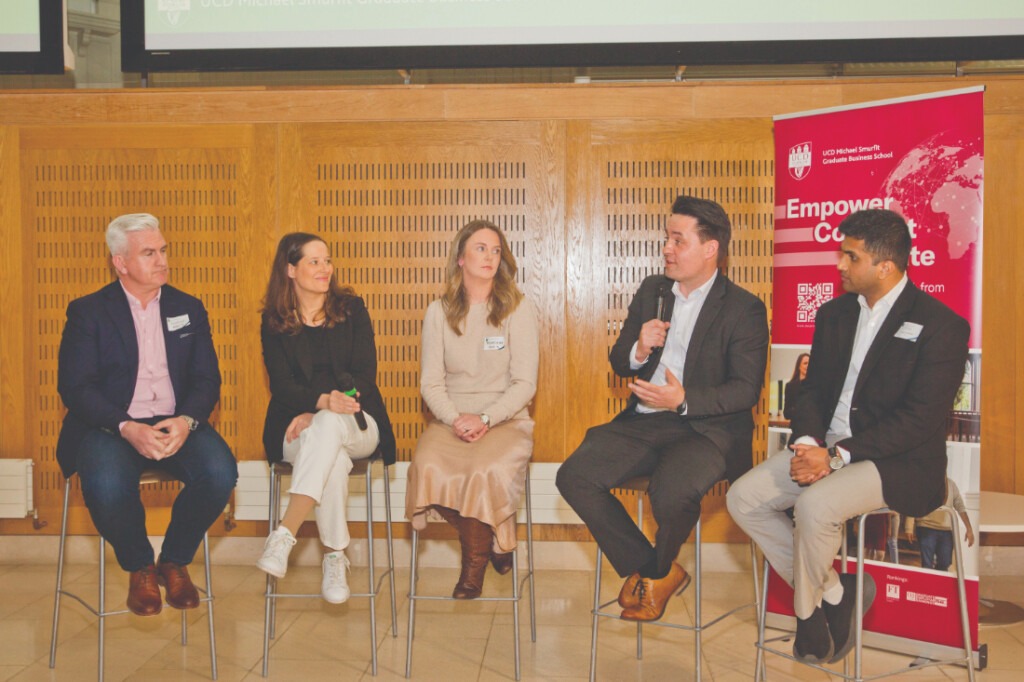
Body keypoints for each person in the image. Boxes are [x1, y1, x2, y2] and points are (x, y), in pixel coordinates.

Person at [727, 209, 970, 665]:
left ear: (886, 266)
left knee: (814, 505)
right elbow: (813, 390)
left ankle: (808, 621)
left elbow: (920, 420)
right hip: (827, 446)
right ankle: (836, 593)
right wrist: (805, 444)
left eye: (849, 255)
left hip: (899, 461)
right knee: (743, 498)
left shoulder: (942, 326)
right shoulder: (835, 314)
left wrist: (835, 457)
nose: (839, 264)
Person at [556, 195, 769, 622]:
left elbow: (745, 390)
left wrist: (684, 399)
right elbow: (619, 360)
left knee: (670, 492)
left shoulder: (744, 308)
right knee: (574, 476)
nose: (667, 248)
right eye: (666, 238)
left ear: (711, 249)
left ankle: (652, 575)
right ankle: (660, 571)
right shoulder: (654, 290)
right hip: (645, 421)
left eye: (678, 239)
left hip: (707, 430)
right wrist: (639, 347)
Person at [55, 213, 238, 617]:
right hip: (110, 425)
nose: (162, 261)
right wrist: (125, 426)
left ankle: (173, 560)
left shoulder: (188, 307)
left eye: (164, 250)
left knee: (221, 473)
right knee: (105, 483)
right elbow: (75, 387)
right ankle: (140, 565)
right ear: (120, 262)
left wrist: (187, 421)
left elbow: (207, 379)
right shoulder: (88, 312)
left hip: (175, 421)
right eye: (149, 253)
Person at [256, 232, 396, 604]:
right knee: (331, 458)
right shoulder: (274, 322)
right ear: (290, 269)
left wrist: (327, 407)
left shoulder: (352, 309)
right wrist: (317, 404)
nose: (325, 269)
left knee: (330, 425)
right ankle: (336, 556)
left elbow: (365, 375)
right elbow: (282, 385)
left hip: (357, 422)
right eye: (314, 262)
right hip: (294, 428)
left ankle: (285, 533)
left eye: (328, 261)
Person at [405, 219, 538, 599]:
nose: (490, 257)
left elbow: (525, 384)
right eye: (481, 248)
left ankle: (473, 564)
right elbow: (430, 383)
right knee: (426, 468)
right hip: (450, 420)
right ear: (461, 258)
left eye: (496, 251)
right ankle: (498, 535)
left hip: (506, 420)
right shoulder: (439, 312)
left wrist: (484, 419)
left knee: (483, 471)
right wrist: (455, 420)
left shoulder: (517, 309)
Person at [908, 477, 975, 571]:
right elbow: (914, 503)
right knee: (927, 565)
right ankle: (927, 585)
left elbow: (960, 505)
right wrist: (909, 526)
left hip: (946, 530)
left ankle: (938, 585)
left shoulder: (951, 484)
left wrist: (969, 528)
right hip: (926, 526)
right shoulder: (923, 482)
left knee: (945, 563)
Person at [783, 353, 810, 419]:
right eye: (805, 363)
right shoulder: (790, 387)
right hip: (797, 426)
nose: (808, 366)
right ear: (799, 366)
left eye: (809, 363)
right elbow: (786, 414)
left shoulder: (816, 386)